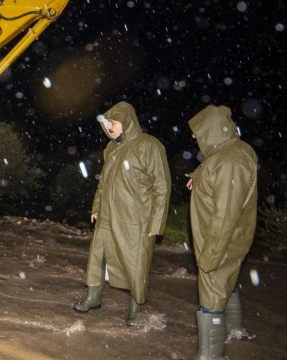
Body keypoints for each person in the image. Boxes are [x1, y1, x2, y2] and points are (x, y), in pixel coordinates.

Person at [74, 101, 171, 326]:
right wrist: (96, 207)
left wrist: (156, 223)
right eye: (107, 123)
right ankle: (93, 298)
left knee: (135, 263)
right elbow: (104, 182)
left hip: (135, 219)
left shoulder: (149, 145)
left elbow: (161, 186)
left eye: (114, 122)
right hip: (107, 215)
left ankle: (135, 309)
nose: (109, 127)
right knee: (98, 258)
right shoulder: (111, 149)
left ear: (127, 122)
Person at [185, 105, 257, 359]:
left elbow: (225, 213)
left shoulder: (228, 161)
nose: (194, 137)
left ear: (211, 129)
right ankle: (235, 329)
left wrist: (209, 255)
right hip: (232, 238)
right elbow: (218, 173)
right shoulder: (232, 151)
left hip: (220, 240)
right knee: (227, 281)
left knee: (212, 293)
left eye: (197, 131)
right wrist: (199, 174)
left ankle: (210, 356)